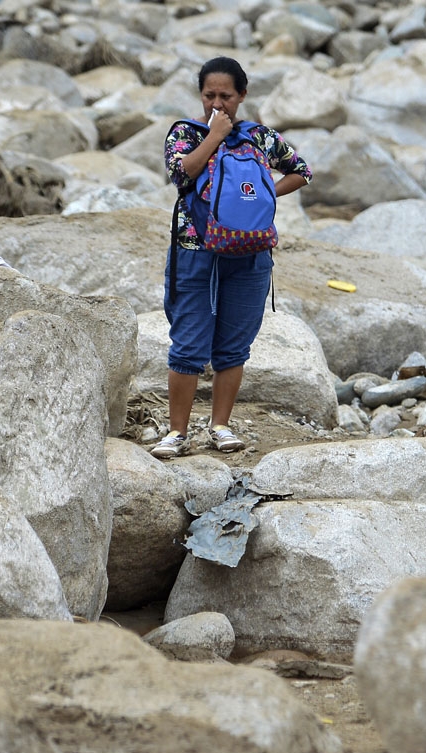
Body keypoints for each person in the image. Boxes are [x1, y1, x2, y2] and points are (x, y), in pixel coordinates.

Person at [151, 56, 312, 459]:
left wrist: (259, 196)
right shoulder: (184, 134)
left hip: (250, 253)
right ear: (200, 95)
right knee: (187, 343)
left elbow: (301, 170)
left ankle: (220, 426)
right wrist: (214, 135)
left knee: (235, 344)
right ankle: (177, 432)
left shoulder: (260, 137)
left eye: (226, 95)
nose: (217, 103)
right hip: (196, 252)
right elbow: (182, 174)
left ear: (243, 94)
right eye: (209, 95)